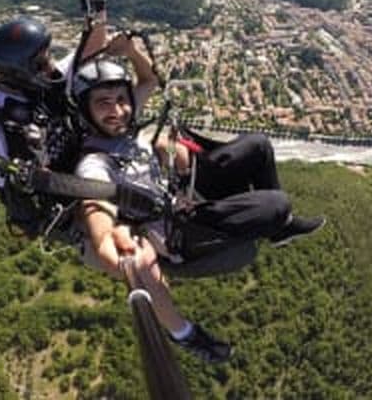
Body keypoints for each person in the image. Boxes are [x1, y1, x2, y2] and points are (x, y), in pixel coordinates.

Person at [72, 41, 324, 363]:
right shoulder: (95, 164)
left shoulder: (121, 124)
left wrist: (132, 52)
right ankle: (278, 222)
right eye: (104, 103)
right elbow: (99, 219)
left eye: (121, 99)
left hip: (178, 184)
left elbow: (148, 80)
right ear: (86, 111)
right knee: (276, 205)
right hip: (179, 228)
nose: (118, 109)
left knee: (259, 146)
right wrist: (117, 247)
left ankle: (281, 232)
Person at [0, 8, 107, 230]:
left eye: (50, 55)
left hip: (84, 168)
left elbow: (93, 45)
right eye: (41, 63)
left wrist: (97, 3)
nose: (50, 66)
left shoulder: (42, 83)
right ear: (17, 73)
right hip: (62, 209)